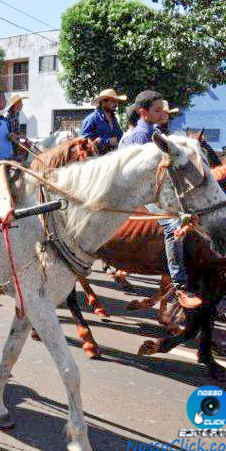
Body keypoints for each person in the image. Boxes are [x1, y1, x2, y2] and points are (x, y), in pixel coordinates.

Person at [118, 90, 201, 309]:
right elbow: (134, 173)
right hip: (140, 192)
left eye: (162, 110)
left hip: (156, 189)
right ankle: (179, 285)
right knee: (173, 224)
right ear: (143, 112)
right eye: (157, 110)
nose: (162, 113)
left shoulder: (154, 131)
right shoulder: (140, 135)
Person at [80, 88, 126, 155]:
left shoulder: (114, 119)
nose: (116, 104)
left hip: (113, 155)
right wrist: (106, 141)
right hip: (96, 158)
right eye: (113, 101)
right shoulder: (92, 118)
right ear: (103, 102)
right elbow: (84, 140)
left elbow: (119, 136)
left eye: (116, 101)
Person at [5, 94, 29, 161]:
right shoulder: (7, 116)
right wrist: (19, 138)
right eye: (21, 103)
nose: (22, 105)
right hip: (9, 145)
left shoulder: (17, 114)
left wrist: (23, 136)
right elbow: (8, 135)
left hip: (15, 143)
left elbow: (16, 131)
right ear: (16, 104)